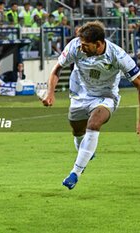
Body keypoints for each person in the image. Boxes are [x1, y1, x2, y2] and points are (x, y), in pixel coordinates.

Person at [42, 21, 140, 190]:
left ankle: (75, 173)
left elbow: (139, 84)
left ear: (99, 44)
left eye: (86, 46)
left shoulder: (118, 56)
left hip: (105, 97)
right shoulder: (75, 46)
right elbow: (57, 69)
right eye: (81, 44)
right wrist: (50, 92)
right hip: (80, 95)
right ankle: (86, 149)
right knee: (77, 131)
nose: (82, 48)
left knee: (94, 124)